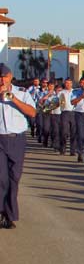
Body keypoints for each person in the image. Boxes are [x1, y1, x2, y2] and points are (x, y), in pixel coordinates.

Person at [0, 63, 37, 228]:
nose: (2, 81)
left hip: (17, 140)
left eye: (4, 77)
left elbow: (32, 112)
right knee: (1, 179)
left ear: (11, 77)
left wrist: (12, 98)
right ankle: (2, 213)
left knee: (14, 178)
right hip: (0, 140)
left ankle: (10, 213)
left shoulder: (21, 93)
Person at [39, 82, 60, 150]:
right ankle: (45, 140)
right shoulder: (43, 93)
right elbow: (41, 102)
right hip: (46, 112)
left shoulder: (56, 93)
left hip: (54, 113)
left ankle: (54, 143)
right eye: (50, 86)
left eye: (52, 86)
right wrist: (48, 94)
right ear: (47, 86)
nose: (51, 87)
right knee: (46, 129)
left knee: (55, 129)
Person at [59, 77, 75, 156]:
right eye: (66, 83)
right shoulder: (61, 92)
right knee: (64, 132)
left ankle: (73, 150)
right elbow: (57, 102)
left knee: (74, 132)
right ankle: (62, 148)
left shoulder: (75, 92)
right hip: (64, 113)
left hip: (74, 113)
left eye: (69, 83)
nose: (68, 85)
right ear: (64, 84)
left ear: (72, 84)